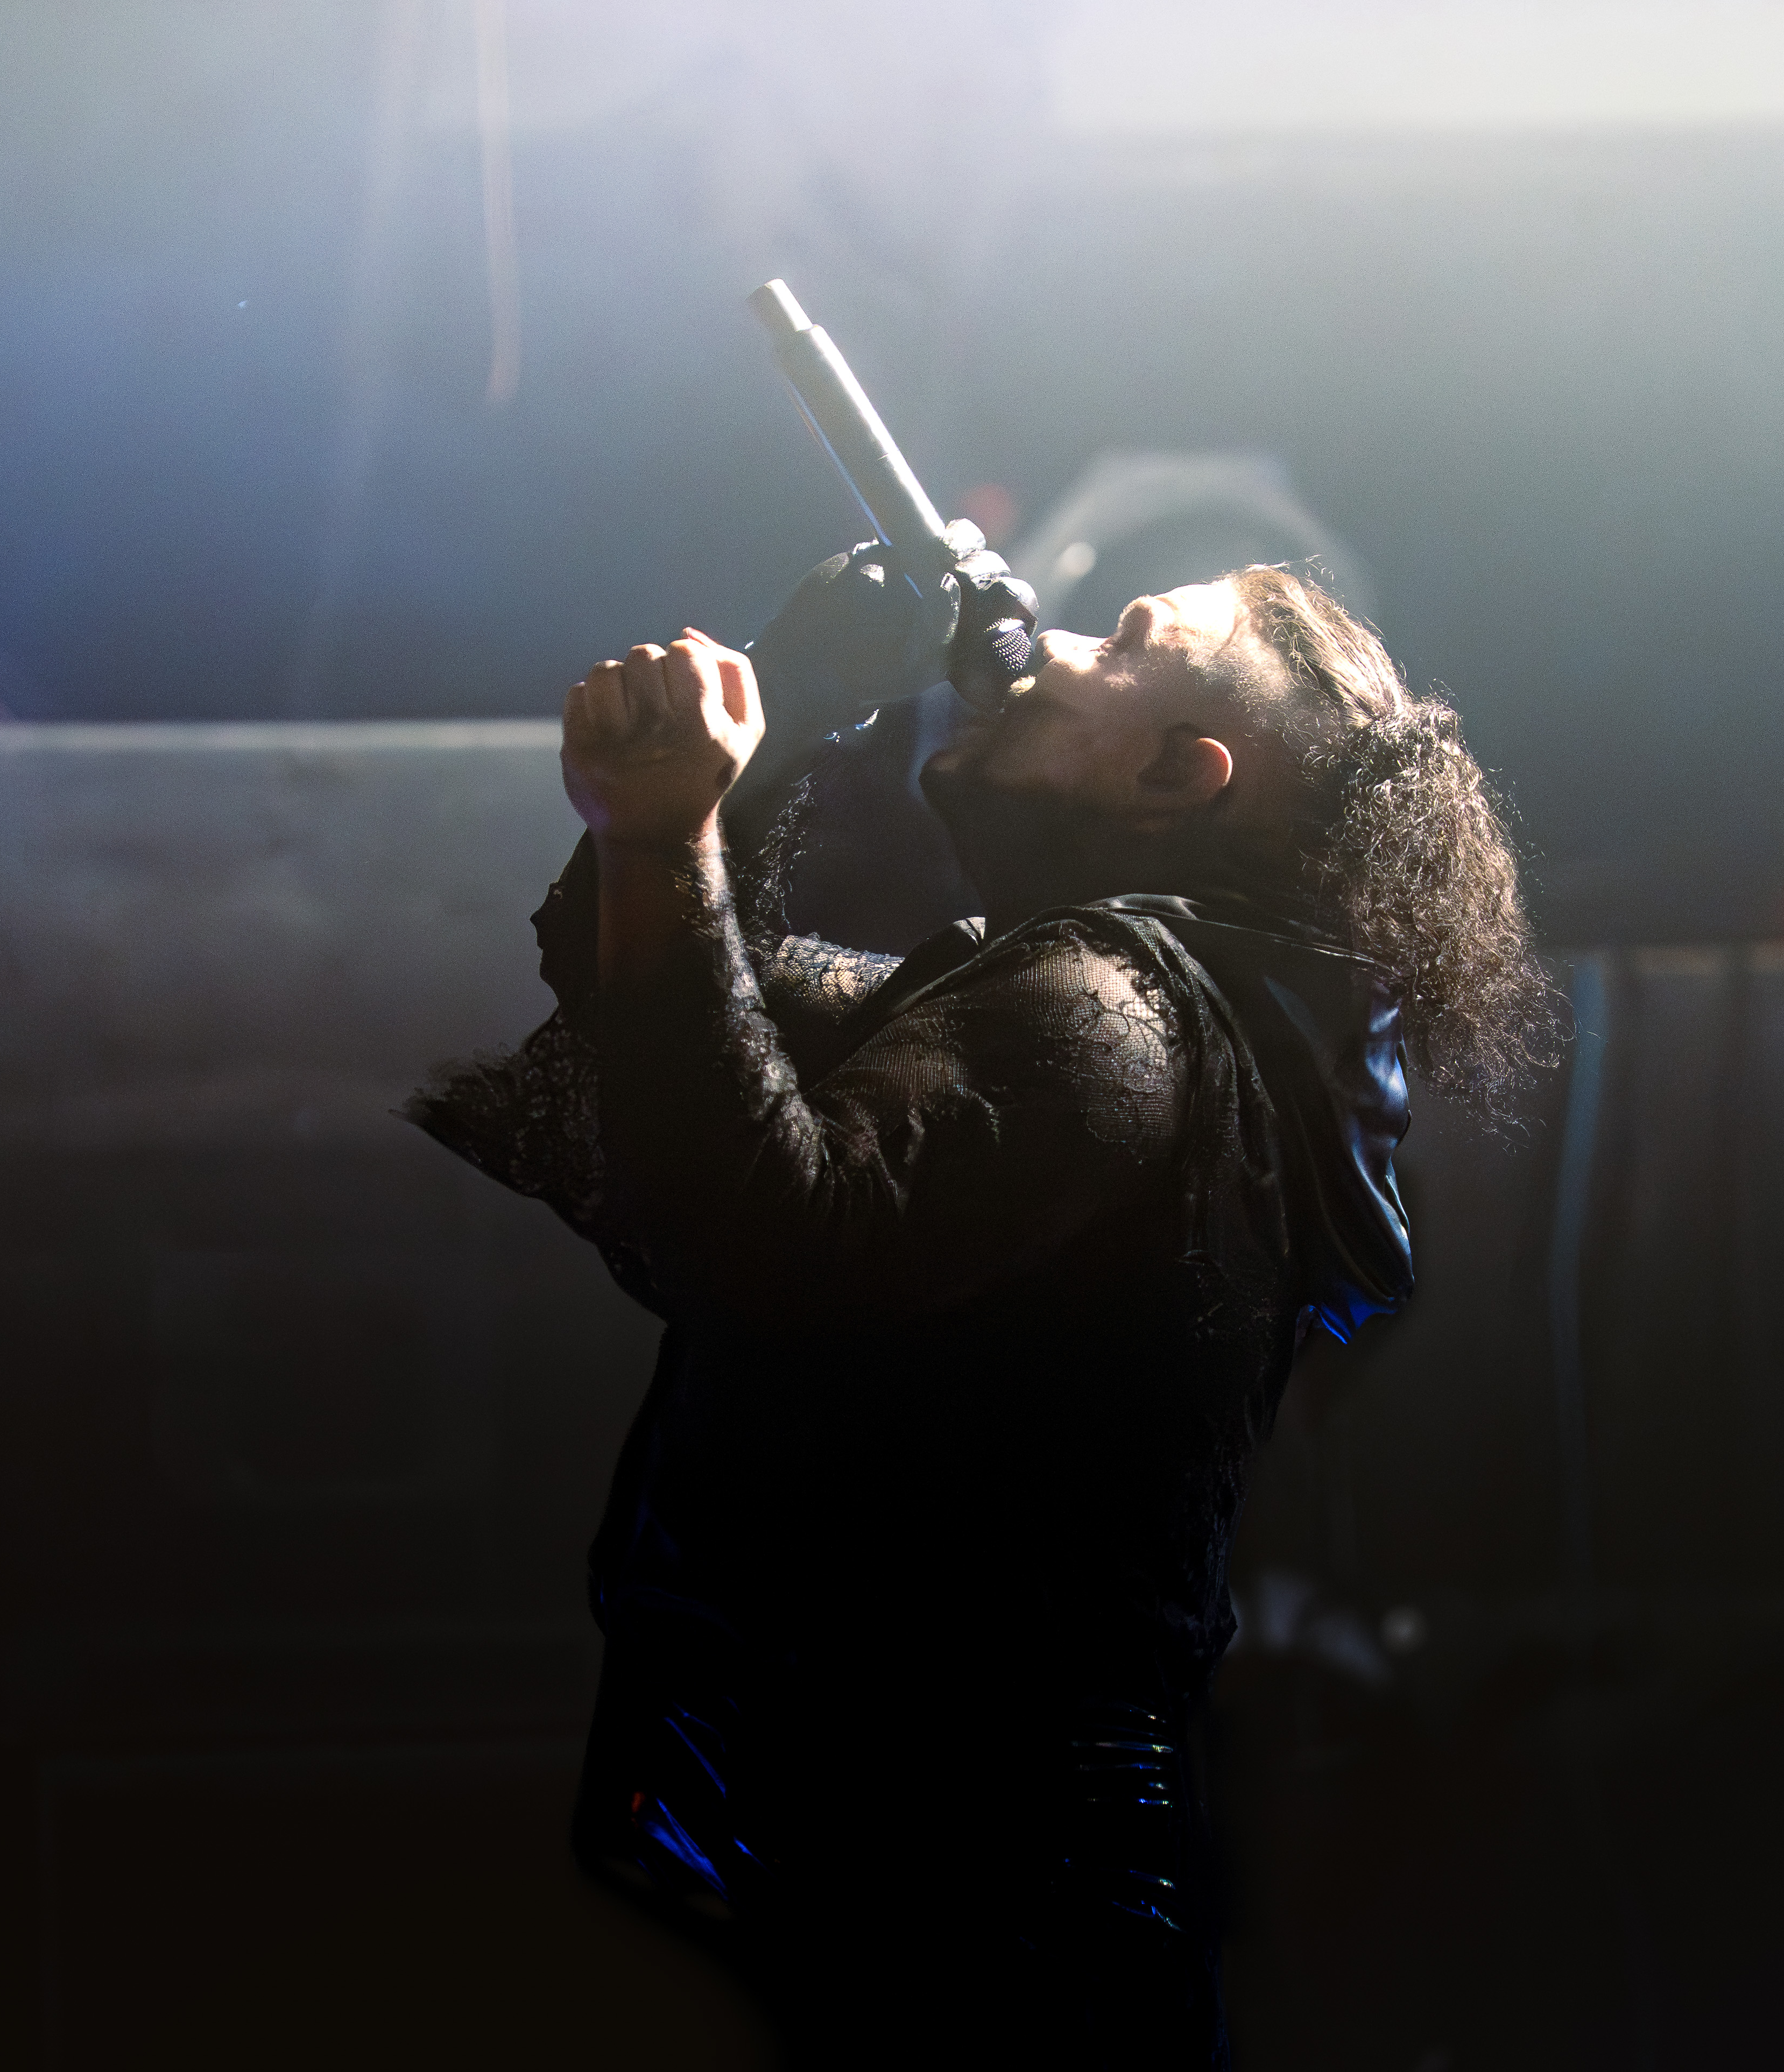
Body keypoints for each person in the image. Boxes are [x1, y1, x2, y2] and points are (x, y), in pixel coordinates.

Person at [411, 544, 1553, 2065]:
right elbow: (654, 979)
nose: (1049, 647)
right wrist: (784, 701)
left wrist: (672, 831)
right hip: (924, 1863)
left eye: (1127, 641)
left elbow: (759, 1235)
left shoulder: (1114, 1015)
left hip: (961, 1899)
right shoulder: (1136, 1010)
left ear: (1176, 774)